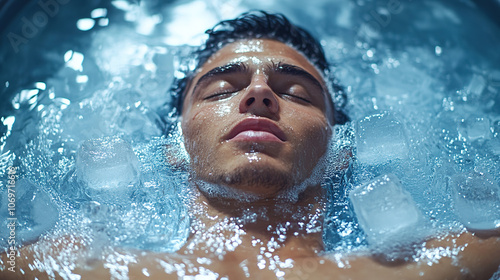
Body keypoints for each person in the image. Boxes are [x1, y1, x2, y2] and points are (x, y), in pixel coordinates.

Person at [2, 10, 500, 280]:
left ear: (342, 150)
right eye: (221, 89)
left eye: (296, 92)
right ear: (173, 149)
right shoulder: (64, 264)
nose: (258, 91)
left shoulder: (452, 264)